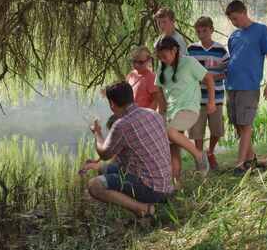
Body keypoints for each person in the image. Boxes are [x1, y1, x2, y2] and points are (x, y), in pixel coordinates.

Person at [86, 82, 173, 217]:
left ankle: (142, 208)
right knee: (103, 169)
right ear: (131, 97)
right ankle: (146, 202)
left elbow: (104, 153)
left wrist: (97, 133)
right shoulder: (153, 114)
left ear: (112, 104)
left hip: (151, 189)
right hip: (166, 185)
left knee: (95, 185)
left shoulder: (121, 125)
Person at [155, 36, 216, 184]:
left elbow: (208, 78)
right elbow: (158, 89)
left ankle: (199, 155)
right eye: (159, 57)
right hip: (171, 113)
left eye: (164, 56)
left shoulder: (189, 62)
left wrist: (212, 102)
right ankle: (176, 184)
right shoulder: (162, 67)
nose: (162, 59)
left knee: (170, 132)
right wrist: (160, 113)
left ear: (174, 50)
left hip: (189, 109)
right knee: (173, 149)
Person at [225, 0, 267, 175]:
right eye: (231, 20)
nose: (234, 23)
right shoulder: (233, 36)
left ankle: (240, 164)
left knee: (246, 124)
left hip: (249, 85)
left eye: (236, 18)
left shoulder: (261, 30)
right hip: (231, 85)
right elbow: (232, 60)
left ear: (244, 12)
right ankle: (251, 159)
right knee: (238, 124)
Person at [187, 16, 229, 170]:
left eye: (204, 30)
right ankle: (200, 160)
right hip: (196, 99)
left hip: (216, 97)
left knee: (217, 130)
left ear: (211, 30)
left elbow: (227, 72)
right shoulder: (191, 49)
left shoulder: (220, 50)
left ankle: (210, 152)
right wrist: (199, 79)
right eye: (198, 31)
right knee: (197, 132)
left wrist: (210, 78)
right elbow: (187, 71)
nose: (201, 34)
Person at [126, 46, 163, 110]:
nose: (136, 65)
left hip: (143, 117)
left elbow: (156, 100)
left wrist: (146, 116)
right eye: (134, 61)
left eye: (140, 62)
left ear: (148, 61)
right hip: (130, 115)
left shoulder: (151, 77)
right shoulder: (131, 75)